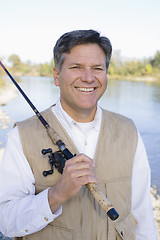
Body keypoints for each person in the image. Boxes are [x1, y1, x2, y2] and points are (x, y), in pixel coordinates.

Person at [0, 30, 158, 240]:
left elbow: (143, 216)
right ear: (57, 76)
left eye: (97, 68)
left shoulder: (129, 131)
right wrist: (56, 195)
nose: (88, 77)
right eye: (76, 67)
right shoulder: (21, 137)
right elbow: (6, 222)